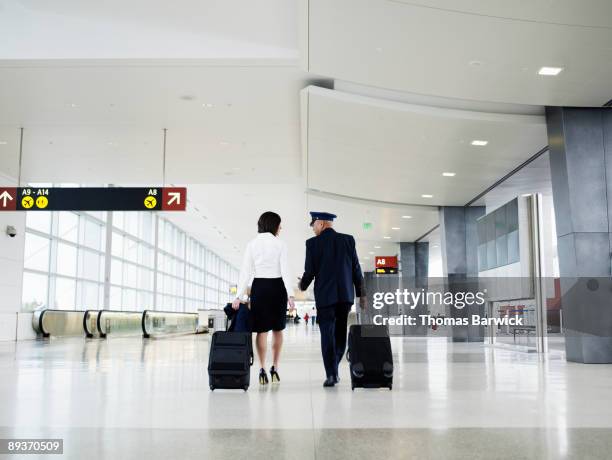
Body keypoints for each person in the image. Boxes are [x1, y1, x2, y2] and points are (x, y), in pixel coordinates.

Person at [299, 211, 366, 387]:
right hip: (345, 296)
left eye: (313, 225)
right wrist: (362, 293)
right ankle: (334, 368)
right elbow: (356, 269)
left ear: (320, 223)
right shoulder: (348, 240)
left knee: (326, 335)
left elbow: (310, 271)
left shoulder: (312, 244)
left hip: (325, 297)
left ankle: (331, 374)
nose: (313, 229)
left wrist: (302, 286)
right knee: (340, 333)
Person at [233, 211, 295, 385]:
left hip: (259, 287)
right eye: (279, 225)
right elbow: (285, 271)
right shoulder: (280, 244)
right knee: (278, 329)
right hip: (278, 288)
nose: (280, 228)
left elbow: (245, 272)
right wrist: (290, 295)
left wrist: (238, 296)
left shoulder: (252, 244)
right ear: (274, 225)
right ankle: (275, 367)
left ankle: (261, 369)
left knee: (261, 330)